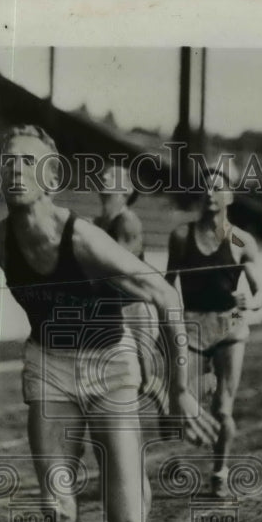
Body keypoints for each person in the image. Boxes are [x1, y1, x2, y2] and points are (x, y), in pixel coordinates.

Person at [0, 124, 217, 522]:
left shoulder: (82, 237)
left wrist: (180, 389)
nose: (14, 170)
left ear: (52, 177)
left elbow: (162, 293)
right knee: (55, 502)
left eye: (27, 162)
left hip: (109, 363)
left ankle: (132, 470)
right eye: (7, 161)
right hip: (48, 367)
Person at [165, 162, 262, 498]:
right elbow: (167, 285)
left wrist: (251, 301)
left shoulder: (239, 239)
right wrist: (165, 322)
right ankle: (202, 389)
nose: (210, 193)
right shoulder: (181, 236)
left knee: (223, 409)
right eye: (206, 187)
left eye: (218, 187)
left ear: (229, 196)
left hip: (229, 328)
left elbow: (259, 291)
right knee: (178, 405)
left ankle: (219, 473)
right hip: (192, 327)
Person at [94, 164, 166, 415]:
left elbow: (117, 266)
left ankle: (172, 411)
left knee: (143, 381)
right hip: (116, 311)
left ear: (125, 189)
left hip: (136, 310)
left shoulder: (128, 222)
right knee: (121, 379)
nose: (104, 175)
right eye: (104, 173)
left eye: (112, 176)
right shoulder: (97, 222)